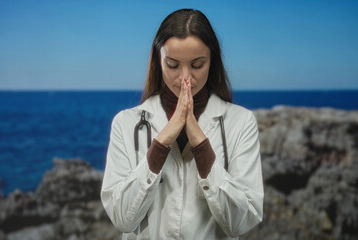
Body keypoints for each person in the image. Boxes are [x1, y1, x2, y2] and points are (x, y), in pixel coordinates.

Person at [100, 9, 263, 239]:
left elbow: (241, 222)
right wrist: (161, 143)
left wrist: (200, 143)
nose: (184, 78)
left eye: (197, 65)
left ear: (212, 61)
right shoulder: (126, 123)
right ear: (159, 61)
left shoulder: (241, 122)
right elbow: (122, 218)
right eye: (173, 65)